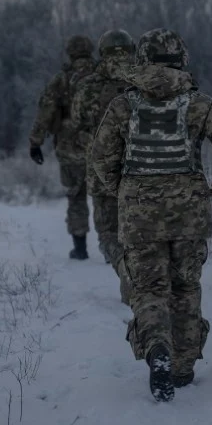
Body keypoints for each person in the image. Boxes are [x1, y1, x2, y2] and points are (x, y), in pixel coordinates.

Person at [90, 28, 212, 402]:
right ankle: (181, 368)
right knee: (185, 287)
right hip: (189, 213)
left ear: (142, 60)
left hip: (138, 213)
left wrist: (124, 190)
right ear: (182, 60)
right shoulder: (199, 104)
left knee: (148, 288)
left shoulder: (123, 105)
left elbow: (101, 157)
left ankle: (156, 348)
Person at [70, 29, 137, 304]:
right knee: (138, 228)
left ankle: (123, 268)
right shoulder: (144, 80)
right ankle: (142, 274)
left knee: (109, 231)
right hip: (141, 169)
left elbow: (77, 122)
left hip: (101, 170)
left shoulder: (88, 85)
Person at [29, 34, 97, 260]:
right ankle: (112, 249)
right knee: (107, 197)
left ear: (69, 52)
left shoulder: (61, 79)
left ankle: (80, 248)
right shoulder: (104, 76)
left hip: (70, 147)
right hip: (104, 146)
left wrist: (35, 143)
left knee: (76, 196)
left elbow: (45, 111)